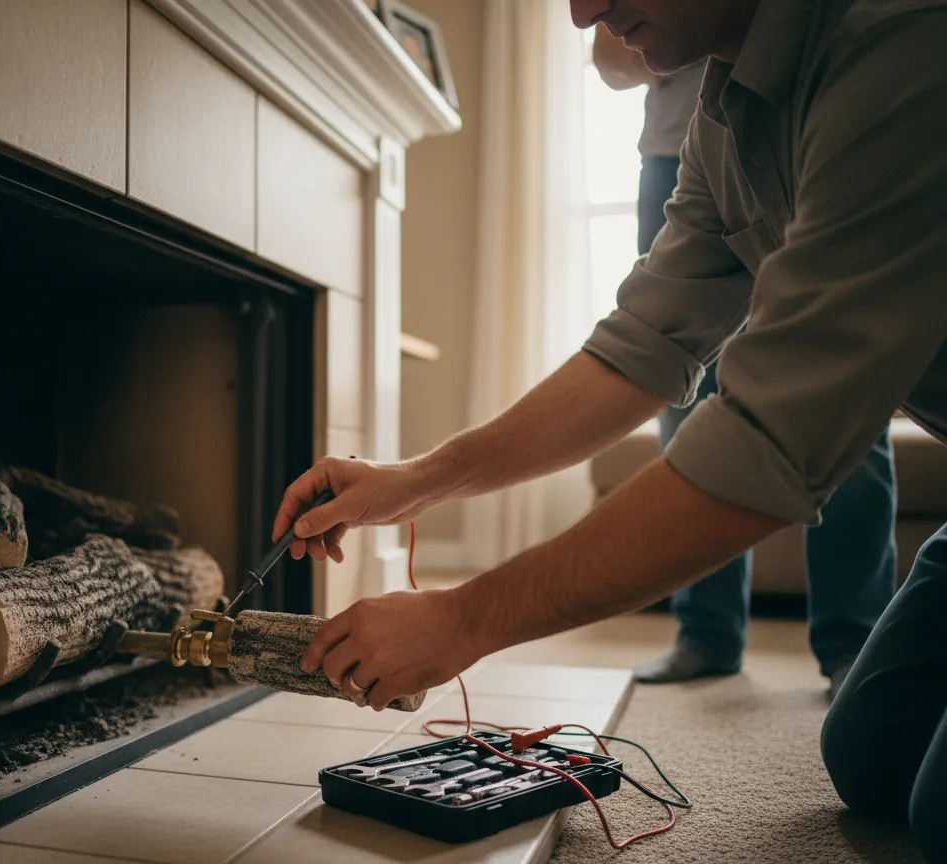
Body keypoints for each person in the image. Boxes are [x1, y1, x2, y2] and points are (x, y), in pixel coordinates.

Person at [273, 1, 947, 857]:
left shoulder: (901, 36)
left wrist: (461, 622)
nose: (581, 10)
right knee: (871, 762)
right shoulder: (722, 109)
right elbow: (642, 347)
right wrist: (416, 480)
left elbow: (769, 441)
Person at [591, 24, 898, 692]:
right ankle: (706, 631)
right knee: (686, 397)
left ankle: (856, 639)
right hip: (675, 156)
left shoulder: (890, 58)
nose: (586, 11)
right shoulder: (694, 121)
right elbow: (644, 352)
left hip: (803, 131)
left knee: (843, 391)